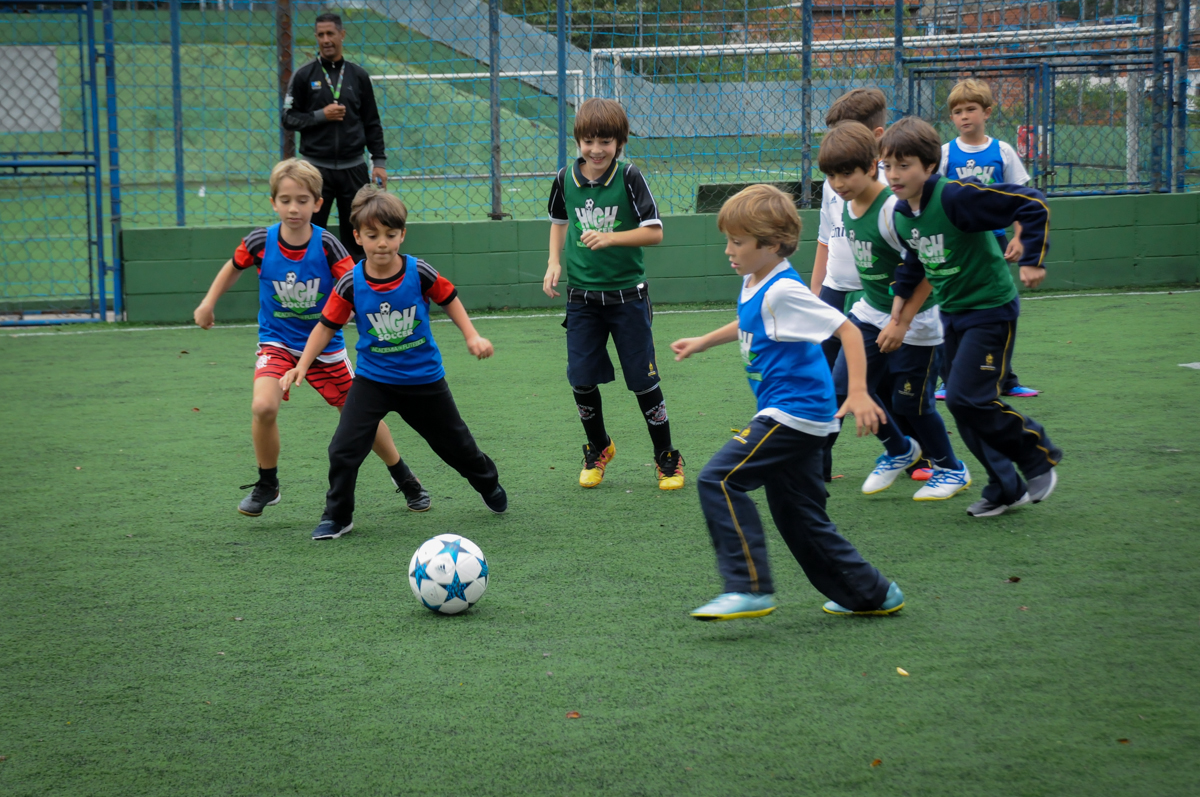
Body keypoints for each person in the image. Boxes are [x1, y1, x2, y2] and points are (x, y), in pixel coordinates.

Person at [671, 185, 904, 621]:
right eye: (728, 240)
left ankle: (748, 586)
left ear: (772, 244)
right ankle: (873, 592)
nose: (728, 250)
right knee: (798, 516)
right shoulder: (754, 279)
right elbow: (748, 321)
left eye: (737, 242)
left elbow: (848, 331)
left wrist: (856, 392)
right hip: (799, 417)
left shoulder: (784, 290)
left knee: (718, 480)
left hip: (794, 414)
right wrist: (705, 341)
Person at [193, 159, 428, 517]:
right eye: (285, 199)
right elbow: (233, 266)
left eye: (302, 200)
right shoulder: (260, 241)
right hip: (277, 343)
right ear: (273, 202)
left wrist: (357, 315)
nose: (293, 208)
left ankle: (403, 475)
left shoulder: (328, 245)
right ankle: (267, 484)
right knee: (263, 406)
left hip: (325, 349)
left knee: (357, 416)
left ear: (318, 203)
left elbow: (356, 285)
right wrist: (209, 303)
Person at [281, 186, 506, 541]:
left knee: (457, 446)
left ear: (402, 234)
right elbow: (325, 327)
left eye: (390, 235)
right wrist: (302, 365)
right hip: (373, 381)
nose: (382, 243)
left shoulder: (419, 272)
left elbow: (449, 298)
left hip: (424, 381)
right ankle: (337, 516)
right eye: (372, 236)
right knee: (343, 448)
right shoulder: (349, 283)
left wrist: (472, 336)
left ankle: (488, 483)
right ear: (357, 237)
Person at [883, 116, 1062, 518]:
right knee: (963, 405)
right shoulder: (900, 212)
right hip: (954, 313)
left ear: (929, 166)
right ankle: (1006, 487)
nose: (894, 175)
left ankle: (1038, 455)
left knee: (967, 396)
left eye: (904, 165)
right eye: (888, 166)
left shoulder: (956, 198)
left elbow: (1032, 204)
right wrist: (900, 301)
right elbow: (916, 256)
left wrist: (1032, 258)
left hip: (991, 309)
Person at [818, 122, 971, 500]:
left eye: (846, 172)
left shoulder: (892, 210)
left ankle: (952, 468)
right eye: (831, 175)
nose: (838, 182)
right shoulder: (848, 204)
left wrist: (901, 322)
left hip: (917, 321)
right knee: (843, 389)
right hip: (870, 312)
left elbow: (927, 269)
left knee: (911, 403)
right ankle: (899, 449)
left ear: (872, 166)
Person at [542, 98, 684, 491]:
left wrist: (611, 237)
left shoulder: (630, 177)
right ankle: (598, 447)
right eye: (589, 140)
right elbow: (559, 221)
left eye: (606, 141)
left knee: (643, 381)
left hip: (628, 299)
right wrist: (554, 262)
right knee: (581, 379)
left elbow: (654, 231)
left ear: (620, 143)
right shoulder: (564, 179)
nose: (597, 149)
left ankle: (667, 456)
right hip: (582, 300)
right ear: (578, 141)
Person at [937, 78, 1039, 399]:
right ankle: (948, 379)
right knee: (948, 311)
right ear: (951, 118)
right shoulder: (944, 154)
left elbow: (1024, 199)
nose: (964, 116)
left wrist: (1020, 237)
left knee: (996, 311)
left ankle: (1005, 379)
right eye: (957, 111)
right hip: (954, 250)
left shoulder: (1003, 151)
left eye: (971, 109)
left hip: (992, 245)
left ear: (987, 112)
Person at [812, 87, 890, 481]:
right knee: (820, 374)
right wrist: (814, 294)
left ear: (876, 138)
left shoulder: (895, 190)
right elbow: (826, 238)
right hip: (834, 290)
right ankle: (816, 464)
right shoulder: (831, 184)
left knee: (872, 382)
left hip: (877, 295)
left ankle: (913, 450)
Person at [282, 11, 387, 263]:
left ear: (342, 35)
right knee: (311, 232)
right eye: (320, 35)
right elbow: (288, 118)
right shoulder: (304, 75)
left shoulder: (358, 76)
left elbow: (372, 122)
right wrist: (321, 115)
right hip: (315, 170)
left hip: (354, 168)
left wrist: (379, 162)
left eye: (330, 33)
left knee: (358, 232)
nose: (326, 39)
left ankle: (357, 292)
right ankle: (312, 290)